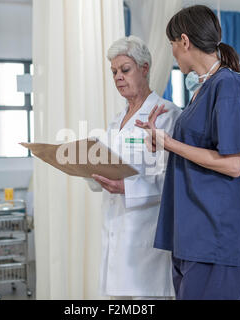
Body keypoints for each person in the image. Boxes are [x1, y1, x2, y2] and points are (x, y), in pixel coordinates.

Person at [136, 5, 240, 300]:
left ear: (185, 41)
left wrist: (170, 143)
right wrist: (161, 143)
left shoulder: (227, 85)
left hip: (214, 237)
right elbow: (198, 152)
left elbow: (233, 164)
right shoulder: (203, 90)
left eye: (172, 45)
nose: (173, 53)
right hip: (192, 233)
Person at [86, 35, 182, 300]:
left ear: (145, 68)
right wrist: (86, 169)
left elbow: (172, 181)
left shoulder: (167, 115)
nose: (118, 77)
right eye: (114, 72)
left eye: (124, 69)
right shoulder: (117, 121)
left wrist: (126, 187)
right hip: (115, 227)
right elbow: (105, 166)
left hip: (147, 233)